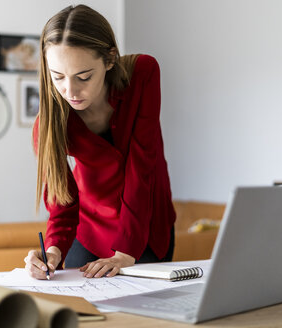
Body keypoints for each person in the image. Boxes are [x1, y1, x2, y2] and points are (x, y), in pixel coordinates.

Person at [24, 4, 176, 280]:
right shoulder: (46, 126)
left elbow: (142, 167)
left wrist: (125, 251)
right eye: (57, 77)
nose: (70, 91)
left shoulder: (143, 74)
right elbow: (62, 202)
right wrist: (53, 250)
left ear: (109, 59)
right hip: (89, 229)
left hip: (146, 226)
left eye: (83, 77)